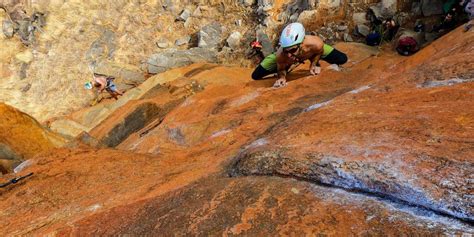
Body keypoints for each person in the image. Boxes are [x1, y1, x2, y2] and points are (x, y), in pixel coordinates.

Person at [272, 22, 348, 88]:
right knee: (260, 72)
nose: (289, 55)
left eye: (293, 50)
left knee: (342, 58)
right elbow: (281, 69)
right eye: (286, 50)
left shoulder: (316, 43)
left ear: (301, 43)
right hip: (281, 58)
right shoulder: (281, 54)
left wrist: (314, 64)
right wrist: (281, 77)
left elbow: (319, 52)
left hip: (312, 50)